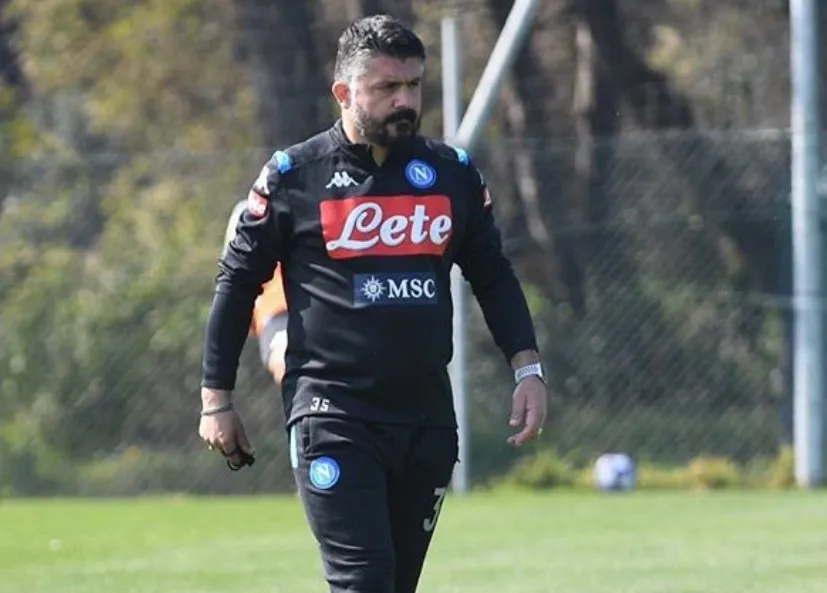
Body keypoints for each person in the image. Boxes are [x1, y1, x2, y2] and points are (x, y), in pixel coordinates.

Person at [199, 13, 548, 593]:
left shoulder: (450, 174)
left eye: (413, 85)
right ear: (344, 92)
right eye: (387, 88)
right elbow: (237, 284)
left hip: (427, 421)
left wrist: (527, 368)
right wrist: (217, 399)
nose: (404, 100)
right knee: (363, 582)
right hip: (332, 415)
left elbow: (493, 275)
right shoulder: (294, 177)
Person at [222, 199, 289, 383]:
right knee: (287, 356)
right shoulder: (249, 212)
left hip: (327, 307)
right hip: (278, 310)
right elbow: (233, 278)